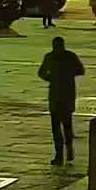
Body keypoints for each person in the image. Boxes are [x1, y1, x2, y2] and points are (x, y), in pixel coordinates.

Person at [38, 36, 85, 165]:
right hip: (67, 94)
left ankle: (59, 155)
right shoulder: (70, 56)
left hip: (55, 95)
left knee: (57, 127)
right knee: (67, 125)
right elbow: (81, 70)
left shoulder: (50, 57)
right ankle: (68, 150)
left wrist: (51, 78)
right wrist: (69, 75)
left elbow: (41, 73)